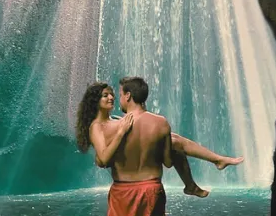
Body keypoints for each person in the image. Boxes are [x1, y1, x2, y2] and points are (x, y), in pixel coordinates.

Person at [75, 82, 243, 198]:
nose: (111, 97)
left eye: (112, 94)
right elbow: (103, 159)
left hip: (136, 155)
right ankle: (215, 162)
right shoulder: (96, 126)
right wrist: (120, 133)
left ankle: (195, 181)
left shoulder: (117, 118)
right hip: (126, 164)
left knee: (172, 141)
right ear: (94, 100)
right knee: (174, 142)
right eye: (105, 95)